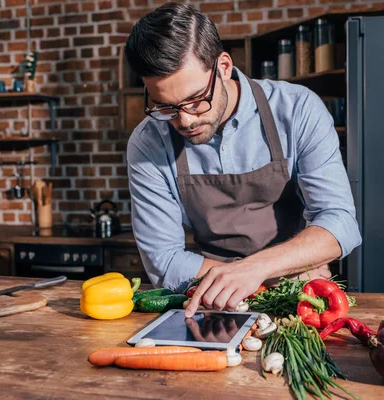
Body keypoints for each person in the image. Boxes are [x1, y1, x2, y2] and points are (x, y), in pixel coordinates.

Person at [124, 3, 361, 318]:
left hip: (300, 303)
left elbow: (339, 223)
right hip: (214, 303)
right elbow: (165, 261)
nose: (184, 121)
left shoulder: (297, 110)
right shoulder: (147, 142)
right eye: (165, 106)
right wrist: (261, 277)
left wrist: (256, 269)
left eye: (196, 101)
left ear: (223, 66)